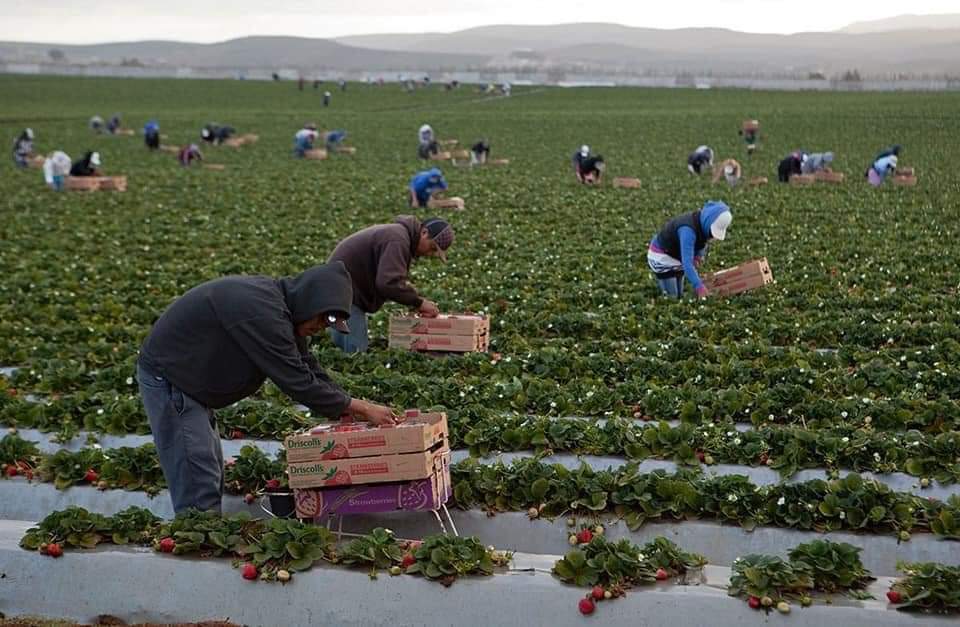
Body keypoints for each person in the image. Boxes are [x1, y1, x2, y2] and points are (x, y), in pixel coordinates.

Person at [137, 262, 399, 513]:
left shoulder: (282, 308)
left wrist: (346, 406)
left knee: (209, 465)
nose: (319, 329)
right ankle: (196, 539)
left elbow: (307, 366)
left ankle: (202, 529)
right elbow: (296, 379)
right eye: (322, 319)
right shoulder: (262, 311)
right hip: (172, 377)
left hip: (193, 379)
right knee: (197, 471)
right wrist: (360, 407)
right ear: (312, 301)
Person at [327, 217, 454, 353]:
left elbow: (391, 280)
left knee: (344, 352)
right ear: (424, 233)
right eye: (432, 248)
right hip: (343, 292)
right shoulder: (398, 240)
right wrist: (419, 303)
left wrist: (410, 296)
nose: (430, 254)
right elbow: (389, 283)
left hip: (341, 289)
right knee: (354, 355)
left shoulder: (399, 236)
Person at [647, 201, 732, 299]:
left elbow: (702, 241)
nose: (712, 236)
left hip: (676, 256)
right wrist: (699, 286)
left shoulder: (702, 222)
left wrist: (698, 256)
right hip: (661, 257)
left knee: (680, 294)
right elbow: (687, 264)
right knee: (673, 296)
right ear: (708, 222)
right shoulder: (687, 231)